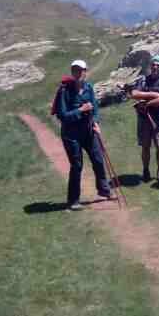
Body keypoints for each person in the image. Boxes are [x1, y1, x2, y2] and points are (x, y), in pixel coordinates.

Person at [56, 59, 112, 211]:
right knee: (77, 166)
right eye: (75, 70)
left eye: (81, 70)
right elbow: (62, 115)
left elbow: (94, 108)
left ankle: (104, 190)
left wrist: (96, 122)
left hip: (88, 131)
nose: (78, 73)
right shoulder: (64, 91)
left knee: (98, 158)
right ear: (72, 72)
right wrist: (80, 110)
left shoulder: (88, 87)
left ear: (85, 72)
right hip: (71, 134)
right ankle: (73, 200)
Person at [130, 55, 159, 182]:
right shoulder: (143, 80)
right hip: (144, 120)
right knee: (145, 146)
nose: (155, 67)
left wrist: (147, 104)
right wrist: (154, 94)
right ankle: (146, 170)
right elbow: (134, 93)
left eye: (158, 65)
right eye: (153, 65)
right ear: (150, 66)